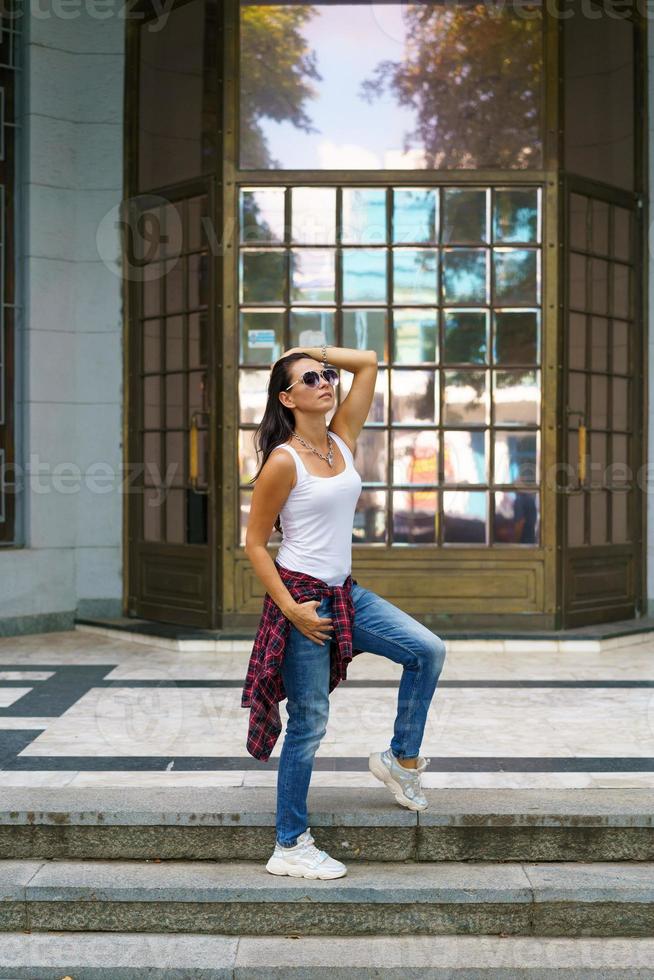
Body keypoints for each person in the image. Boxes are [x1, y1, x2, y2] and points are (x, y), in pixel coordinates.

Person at [243, 344, 446, 881]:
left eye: (327, 375)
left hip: (345, 593)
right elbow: (256, 544)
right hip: (303, 600)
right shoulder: (282, 461)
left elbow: (372, 361)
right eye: (310, 378)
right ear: (287, 398)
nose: (326, 381)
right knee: (309, 724)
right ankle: (289, 844)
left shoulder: (341, 439)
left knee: (427, 650)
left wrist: (311, 351)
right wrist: (292, 611)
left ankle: (399, 760)